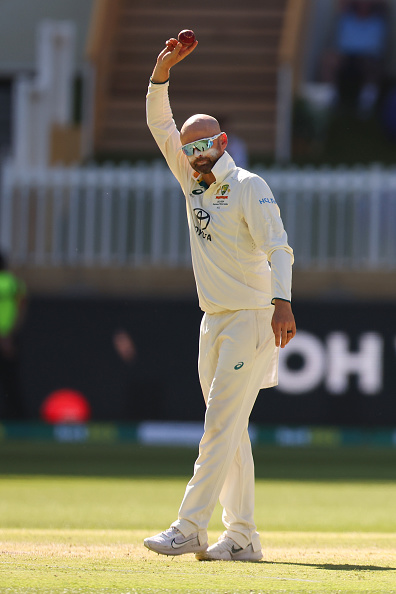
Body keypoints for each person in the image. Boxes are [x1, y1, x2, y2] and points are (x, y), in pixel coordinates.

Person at [144, 36, 296, 562]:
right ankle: (244, 537)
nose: (195, 153)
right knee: (231, 433)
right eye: (189, 148)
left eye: (204, 144)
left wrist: (282, 303)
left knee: (218, 428)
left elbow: (279, 247)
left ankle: (190, 527)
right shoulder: (192, 182)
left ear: (223, 141)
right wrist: (161, 73)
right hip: (213, 321)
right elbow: (160, 126)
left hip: (252, 320)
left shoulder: (250, 186)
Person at [0, 252, 27, 419]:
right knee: (10, 380)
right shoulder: (14, 282)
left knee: (10, 379)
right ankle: (17, 417)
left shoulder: (11, 283)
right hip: (9, 336)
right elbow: (22, 305)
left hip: (6, 337)